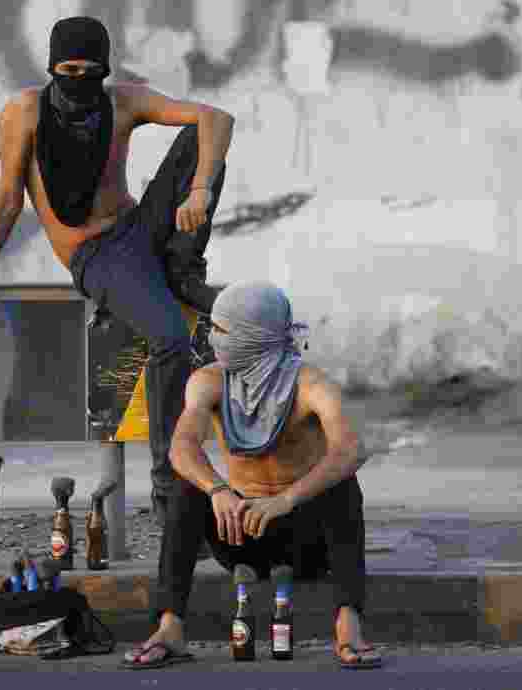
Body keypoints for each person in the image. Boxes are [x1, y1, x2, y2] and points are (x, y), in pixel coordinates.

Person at [0, 16, 234, 524]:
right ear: (52, 67)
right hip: (98, 254)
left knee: (200, 140)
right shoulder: (25, 113)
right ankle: (171, 487)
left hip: (141, 228)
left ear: (105, 70)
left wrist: (200, 189)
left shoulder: (123, 101)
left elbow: (216, 118)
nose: (78, 80)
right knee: (170, 336)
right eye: (67, 69)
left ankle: (181, 269)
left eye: (90, 70)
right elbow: (7, 200)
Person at [120, 281, 382, 670]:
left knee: (343, 483)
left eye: (223, 330)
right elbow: (181, 447)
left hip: (305, 540)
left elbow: (352, 449)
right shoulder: (207, 380)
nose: (212, 338)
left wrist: (286, 500)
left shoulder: (312, 385)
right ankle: (170, 627)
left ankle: (349, 625)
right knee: (188, 486)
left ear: (254, 337)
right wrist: (218, 490)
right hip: (239, 533)